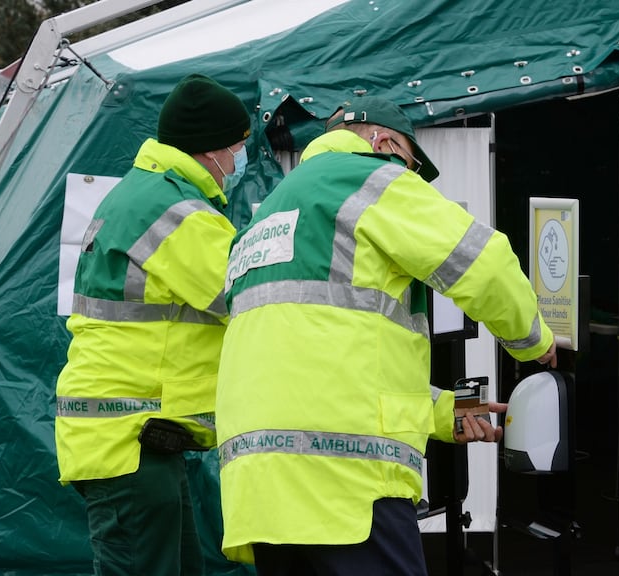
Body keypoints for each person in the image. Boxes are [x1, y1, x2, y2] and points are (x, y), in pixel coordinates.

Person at [215, 96, 557, 575]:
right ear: (384, 143)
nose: (410, 181)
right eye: (411, 167)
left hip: (259, 490)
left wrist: (449, 413)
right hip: (344, 480)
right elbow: (485, 263)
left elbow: (321, 362)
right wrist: (535, 344)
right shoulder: (371, 179)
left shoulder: (264, 215)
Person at [55, 73, 251, 576]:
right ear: (209, 149)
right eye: (237, 145)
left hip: (131, 436)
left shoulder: (143, 194)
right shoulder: (173, 210)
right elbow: (243, 293)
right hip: (128, 439)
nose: (239, 158)